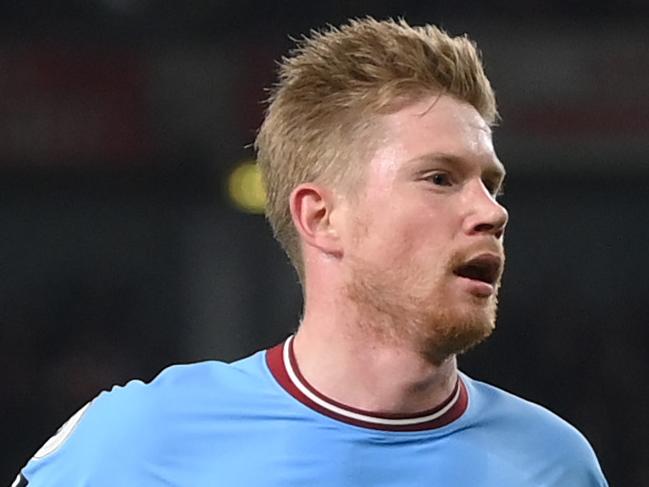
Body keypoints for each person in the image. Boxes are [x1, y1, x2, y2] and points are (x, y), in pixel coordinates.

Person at [14, 17, 607, 486]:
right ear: (321, 218)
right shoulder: (141, 442)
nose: (491, 212)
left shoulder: (554, 463)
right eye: (439, 179)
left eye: (491, 184)